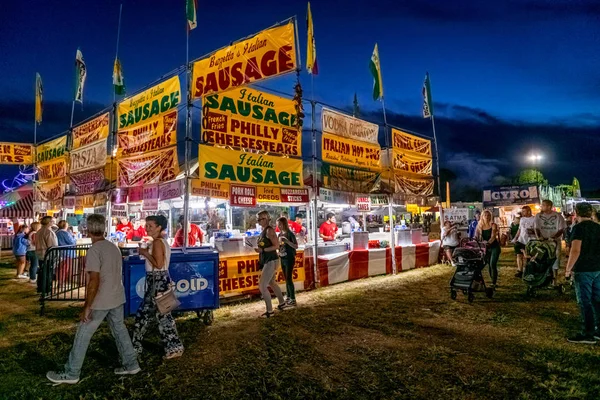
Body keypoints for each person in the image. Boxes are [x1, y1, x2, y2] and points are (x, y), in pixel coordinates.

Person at [46, 214, 140, 384]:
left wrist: (87, 306)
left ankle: (72, 372)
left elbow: (94, 281)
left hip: (101, 299)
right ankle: (131, 363)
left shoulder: (94, 250)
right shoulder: (113, 247)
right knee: (119, 330)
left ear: (88, 230)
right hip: (117, 296)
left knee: (83, 333)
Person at [132, 215, 184, 359]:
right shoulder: (159, 242)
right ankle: (136, 345)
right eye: (146, 225)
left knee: (156, 314)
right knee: (157, 314)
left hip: (157, 281)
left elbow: (159, 264)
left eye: (150, 226)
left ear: (159, 227)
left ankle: (173, 347)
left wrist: (144, 253)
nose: (147, 228)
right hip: (159, 280)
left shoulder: (158, 243)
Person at [564, 202, 600, 344]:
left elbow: (575, 250)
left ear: (576, 212)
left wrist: (568, 269)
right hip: (597, 268)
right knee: (597, 300)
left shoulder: (578, 228)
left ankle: (588, 333)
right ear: (591, 213)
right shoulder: (598, 227)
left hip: (583, 268)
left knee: (585, 302)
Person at [255, 211, 286, 318]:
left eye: (260, 219)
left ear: (266, 219)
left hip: (271, 260)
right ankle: (282, 303)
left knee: (262, 286)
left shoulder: (269, 230)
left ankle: (270, 311)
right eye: (258, 219)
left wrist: (262, 250)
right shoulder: (264, 230)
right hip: (269, 260)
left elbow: (276, 246)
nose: (258, 221)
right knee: (272, 282)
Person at [534, 200, 566, 286]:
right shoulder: (538, 216)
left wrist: (554, 237)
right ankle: (543, 278)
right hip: (543, 241)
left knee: (555, 258)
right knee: (542, 258)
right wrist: (538, 237)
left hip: (554, 242)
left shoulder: (558, 216)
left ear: (549, 206)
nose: (542, 207)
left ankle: (554, 279)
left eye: (544, 205)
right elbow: (536, 228)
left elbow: (561, 229)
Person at [476, 210, 501, 287]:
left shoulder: (493, 225)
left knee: (492, 264)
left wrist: (488, 243)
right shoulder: (479, 226)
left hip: (494, 247)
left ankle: (494, 283)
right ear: (482, 216)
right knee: (488, 264)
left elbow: (493, 236)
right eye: (485, 215)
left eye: (488, 215)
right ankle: (492, 280)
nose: (487, 217)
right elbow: (476, 237)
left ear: (491, 216)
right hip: (485, 248)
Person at [277, 217, 298, 307]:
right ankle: (289, 296)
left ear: (284, 224)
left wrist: (287, 241)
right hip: (282, 257)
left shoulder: (290, 234)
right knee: (286, 278)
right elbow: (279, 246)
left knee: (289, 278)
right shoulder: (280, 234)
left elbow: (296, 246)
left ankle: (293, 298)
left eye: (280, 224)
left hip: (289, 257)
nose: (279, 226)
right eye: (278, 224)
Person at [512, 206, 536, 278]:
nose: (522, 213)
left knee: (527, 256)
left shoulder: (534, 219)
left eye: (524, 211)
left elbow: (537, 230)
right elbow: (519, 229)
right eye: (522, 211)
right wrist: (515, 238)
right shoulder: (522, 219)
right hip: (521, 240)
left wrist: (531, 232)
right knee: (519, 255)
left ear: (529, 211)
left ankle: (527, 271)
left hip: (530, 241)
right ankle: (520, 270)